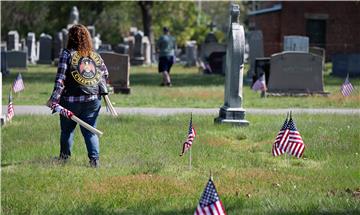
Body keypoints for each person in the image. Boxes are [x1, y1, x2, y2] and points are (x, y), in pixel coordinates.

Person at [47, 24, 109, 168]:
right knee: (90, 131)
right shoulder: (95, 55)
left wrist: (54, 99)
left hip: (70, 101)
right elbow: (105, 75)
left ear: (70, 38)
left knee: (67, 130)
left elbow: (61, 79)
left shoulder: (67, 54)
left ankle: (64, 159)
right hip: (93, 100)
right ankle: (94, 161)